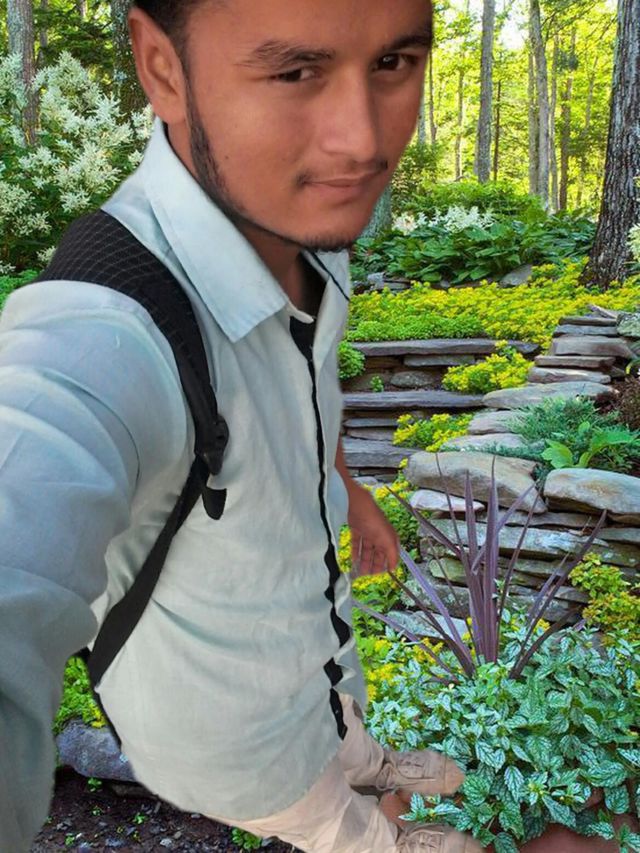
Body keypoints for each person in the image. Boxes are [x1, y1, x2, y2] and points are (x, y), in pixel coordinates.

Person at [0, 1, 483, 850]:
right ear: (162, 67)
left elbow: (302, 386)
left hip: (316, 665)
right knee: (345, 827)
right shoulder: (102, 331)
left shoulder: (306, 226)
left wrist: (349, 489)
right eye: (295, 71)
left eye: (392, 63)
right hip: (241, 750)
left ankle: (366, 759)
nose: (364, 143)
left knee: (345, 732)